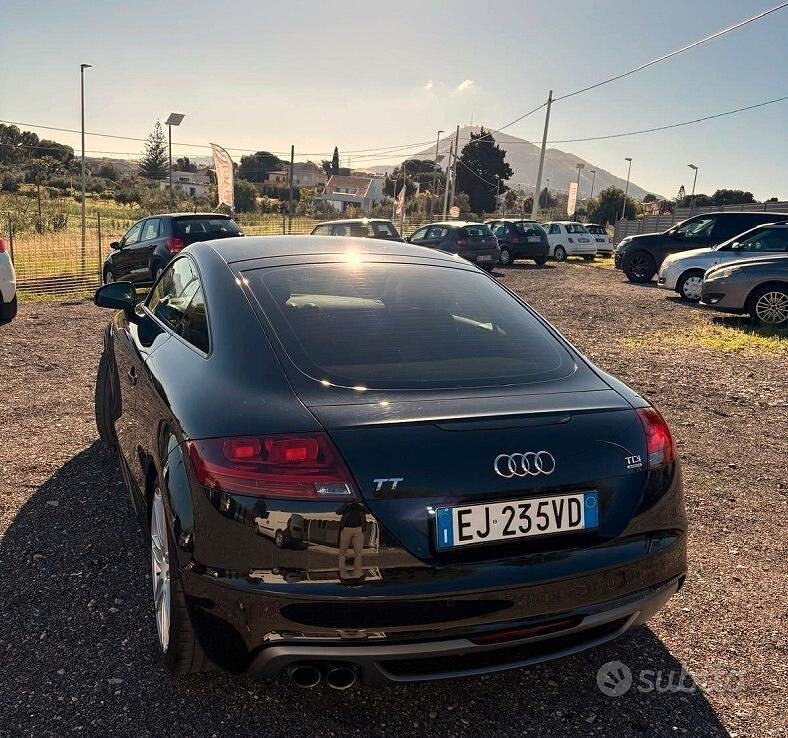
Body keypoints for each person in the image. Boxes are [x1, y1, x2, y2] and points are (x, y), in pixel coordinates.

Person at [336, 502, 365, 580]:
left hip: (359, 529)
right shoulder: (347, 504)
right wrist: (347, 505)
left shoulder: (360, 505)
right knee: (343, 551)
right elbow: (338, 512)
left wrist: (360, 505)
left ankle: (357, 571)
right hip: (346, 528)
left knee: (358, 552)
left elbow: (368, 511)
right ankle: (342, 571)